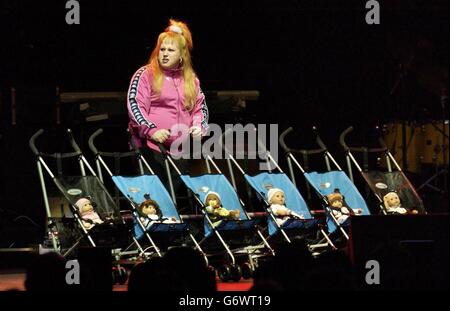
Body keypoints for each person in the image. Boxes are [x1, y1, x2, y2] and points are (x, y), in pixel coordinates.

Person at [127, 19, 209, 206]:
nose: (164, 54)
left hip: (180, 148)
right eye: (162, 49)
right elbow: (135, 105)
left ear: (182, 54)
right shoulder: (145, 74)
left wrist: (198, 125)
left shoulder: (191, 79)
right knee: (153, 199)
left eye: (170, 50)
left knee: (174, 199)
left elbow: (199, 107)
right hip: (150, 147)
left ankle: (174, 232)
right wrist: (152, 130)